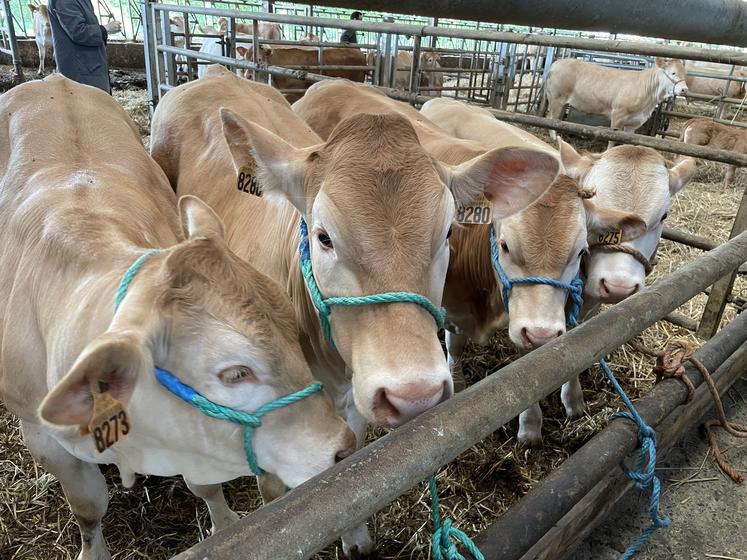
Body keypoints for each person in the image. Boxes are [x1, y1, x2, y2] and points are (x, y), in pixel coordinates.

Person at [48, 0, 111, 93]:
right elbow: (77, 32)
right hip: (80, 70)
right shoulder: (64, 2)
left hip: (88, 66)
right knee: (87, 103)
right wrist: (105, 29)